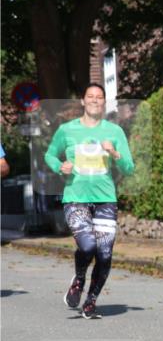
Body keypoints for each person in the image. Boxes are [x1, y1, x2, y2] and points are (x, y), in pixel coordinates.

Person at [44, 83, 134, 319]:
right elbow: (50, 154)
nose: (95, 100)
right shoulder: (67, 130)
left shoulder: (114, 132)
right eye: (90, 96)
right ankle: (79, 278)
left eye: (99, 97)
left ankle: (91, 301)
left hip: (105, 199)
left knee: (104, 253)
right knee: (87, 246)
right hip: (76, 198)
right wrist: (59, 166)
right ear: (83, 101)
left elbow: (129, 168)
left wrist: (114, 153)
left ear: (104, 103)